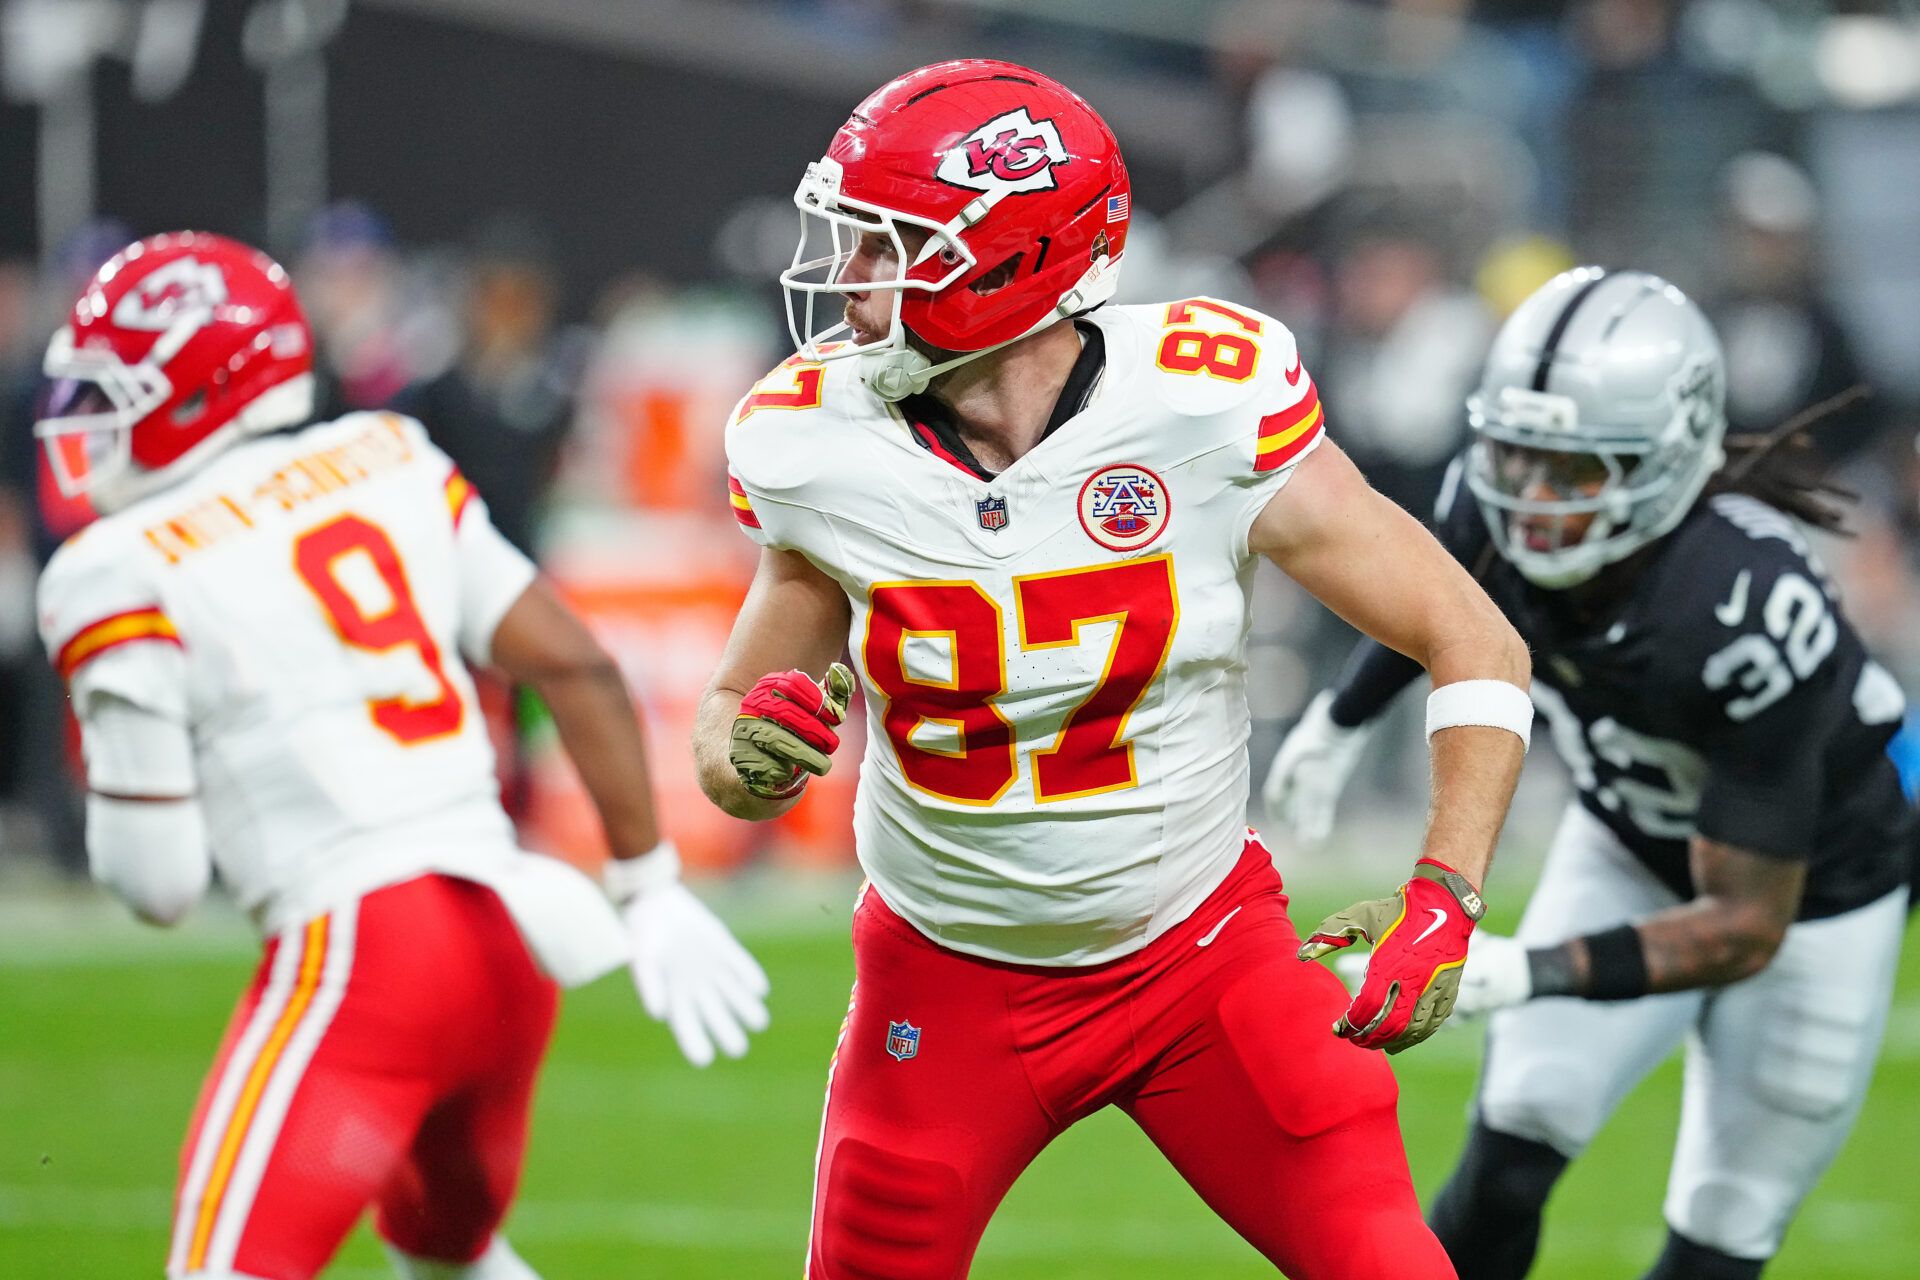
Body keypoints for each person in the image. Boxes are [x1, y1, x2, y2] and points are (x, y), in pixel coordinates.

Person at [695, 60, 1533, 1278]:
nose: (851, 275)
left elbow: (1474, 638)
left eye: (891, 244)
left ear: (1011, 261)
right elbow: (732, 731)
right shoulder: (815, 442)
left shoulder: (1199, 401)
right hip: (945, 972)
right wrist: (751, 758)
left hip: (1201, 954)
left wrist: (1446, 893)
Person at [32, 232, 769, 1280]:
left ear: (198, 390)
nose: (86, 421)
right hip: (506, 944)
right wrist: (646, 883)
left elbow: (158, 885)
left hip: (365, 955)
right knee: (448, 1260)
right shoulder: (384, 459)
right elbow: (576, 664)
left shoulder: (115, 569)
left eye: (115, 392)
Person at [1264, 267, 1913, 1279]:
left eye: (1574, 469)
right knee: (1516, 1134)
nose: (1530, 498)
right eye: (1519, 455)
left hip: (1814, 900)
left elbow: (1745, 925)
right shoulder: (1492, 505)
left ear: (1668, 458)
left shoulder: (1743, 608)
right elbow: (1442, 604)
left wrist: (1525, 967)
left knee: (1724, 1219)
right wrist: (1341, 719)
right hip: (1629, 840)